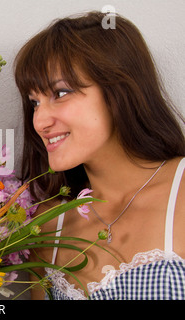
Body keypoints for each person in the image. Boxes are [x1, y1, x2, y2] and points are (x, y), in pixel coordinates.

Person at [14, 11, 185, 299]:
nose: (40, 121)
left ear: (118, 91)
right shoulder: (48, 226)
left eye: (61, 93)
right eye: (34, 103)